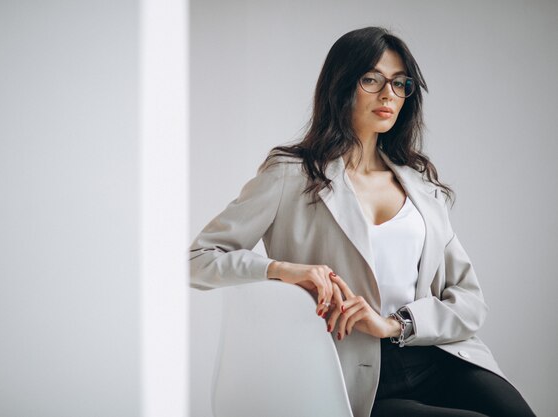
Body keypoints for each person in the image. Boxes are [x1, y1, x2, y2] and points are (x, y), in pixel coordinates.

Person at [189, 26, 536, 417]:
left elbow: (470, 301)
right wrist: (284, 270)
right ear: (341, 85)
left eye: (399, 83)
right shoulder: (291, 174)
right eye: (372, 79)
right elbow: (198, 260)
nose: (388, 93)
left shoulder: (421, 187)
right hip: (353, 374)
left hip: (439, 354)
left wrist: (393, 324)